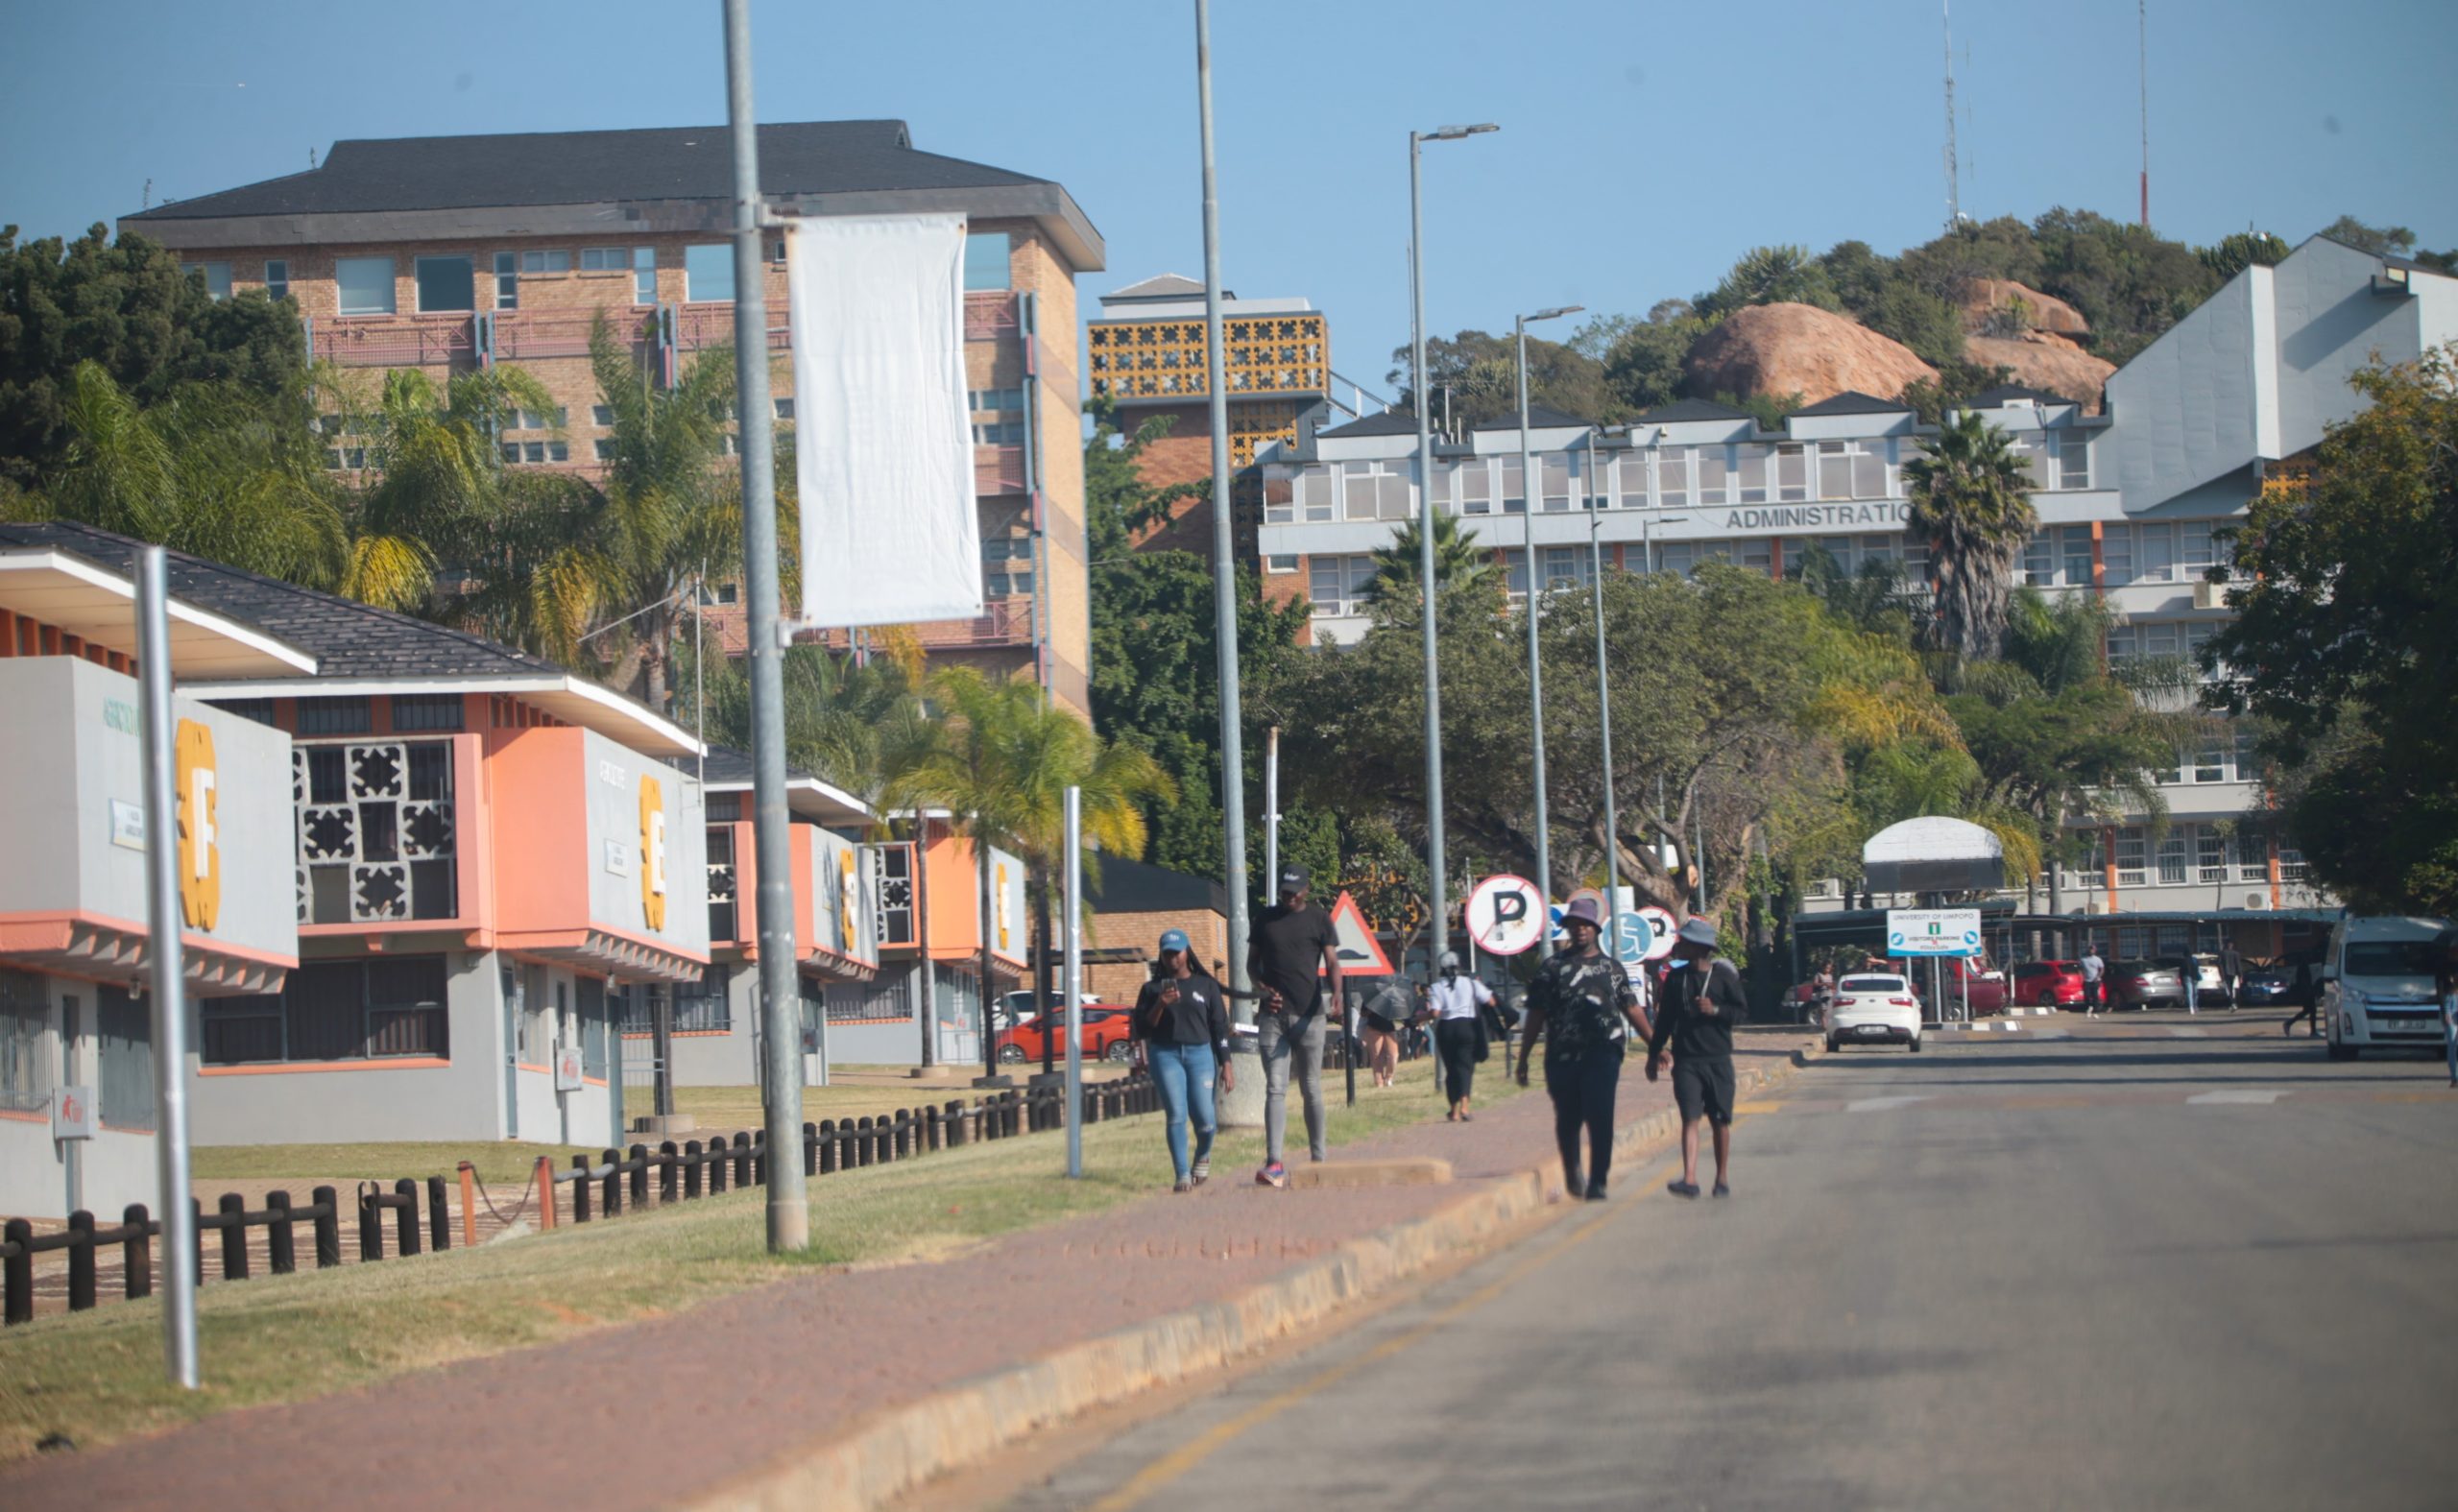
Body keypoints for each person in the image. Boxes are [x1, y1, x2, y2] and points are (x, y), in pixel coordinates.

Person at [1515, 898, 1646, 1202]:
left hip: (1604, 1052)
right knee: (1568, 1117)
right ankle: (1573, 1170)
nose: (1580, 930)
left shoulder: (1611, 969)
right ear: (1568, 929)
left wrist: (1656, 1046)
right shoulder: (1552, 968)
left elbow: (1633, 1009)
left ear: (1596, 928)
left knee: (1601, 1115)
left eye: (1585, 924)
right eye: (1574, 925)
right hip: (1562, 1056)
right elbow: (1536, 1015)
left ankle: (1598, 1180)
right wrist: (1523, 1058)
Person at [1248, 863, 1341, 1188]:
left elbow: (1332, 962)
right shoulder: (1265, 919)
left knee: (1311, 1088)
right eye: (1284, 891)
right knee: (1275, 1088)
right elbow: (1251, 964)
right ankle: (1274, 1162)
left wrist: (1337, 996)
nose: (1288, 896)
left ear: (1306, 890)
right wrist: (1261, 989)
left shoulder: (1318, 918)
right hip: (1273, 1017)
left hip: (1311, 1016)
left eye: (1293, 891)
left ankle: (1319, 1159)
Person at [1647, 917, 1748, 1199]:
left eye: (1686, 942)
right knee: (1690, 1117)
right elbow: (1665, 1019)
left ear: (1701, 947)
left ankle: (1722, 1178)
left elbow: (1741, 1012)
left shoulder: (1723, 977)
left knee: (1720, 1120)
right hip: (1687, 1060)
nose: (1680, 946)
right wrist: (1654, 1053)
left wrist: (1715, 1010)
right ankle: (1689, 1179)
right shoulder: (1676, 979)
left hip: (1718, 1059)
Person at [1133, 929, 1235, 1192]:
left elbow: (1219, 1027)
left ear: (1187, 952)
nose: (1172, 959)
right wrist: (1160, 1004)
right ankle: (1182, 1175)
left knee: (1206, 1120)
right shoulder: (1151, 989)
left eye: (1176, 953)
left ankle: (1202, 1155)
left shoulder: (1206, 985)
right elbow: (1143, 1028)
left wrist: (1226, 1063)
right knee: (1176, 1115)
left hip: (1200, 1055)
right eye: (1167, 954)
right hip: (1165, 1055)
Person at [1427, 951, 1497, 1122]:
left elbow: (1435, 1012)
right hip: (1467, 1027)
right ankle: (1465, 1106)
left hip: (1447, 1028)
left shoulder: (1437, 987)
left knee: (1451, 1069)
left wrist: (1421, 1017)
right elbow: (1491, 1002)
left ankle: (1454, 1110)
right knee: (1465, 1067)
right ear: (1458, 966)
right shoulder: (1471, 983)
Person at [1355, 974, 1411, 1089]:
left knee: (1393, 1055)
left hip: (1389, 1028)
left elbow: (1399, 1011)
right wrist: (1371, 1010)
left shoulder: (1394, 997)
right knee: (1376, 1056)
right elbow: (1363, 1013)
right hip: (1374, 1027)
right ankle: (1378, 1082)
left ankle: (1389, 1078)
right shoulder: (1371, 997)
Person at [2283, 955, 2322, 1038]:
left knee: (2308, 1010)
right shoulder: (2303, 966)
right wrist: (2310, 992)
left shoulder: (2303, 966)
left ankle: (2289, 1023)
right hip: (2306, 992)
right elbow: (2304, 981)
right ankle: (2312, 1031)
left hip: (2306, 991)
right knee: (2312, 1010)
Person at [2080, 947, 2107, 1017]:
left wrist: (2098, 977)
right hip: (2087, 980)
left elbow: (2102, 969)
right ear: (2088, 950)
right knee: (2087, 995)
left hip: (2095, 980)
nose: (2091, 951)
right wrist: (2081, 977)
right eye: (2090, 949)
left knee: (2095, 995)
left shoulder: (2097, 959)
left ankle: (2096, 1010)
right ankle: (2089, 1007)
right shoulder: (2083, 959)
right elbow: (2080, 969)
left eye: (2093, 950)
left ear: (2095, 951)